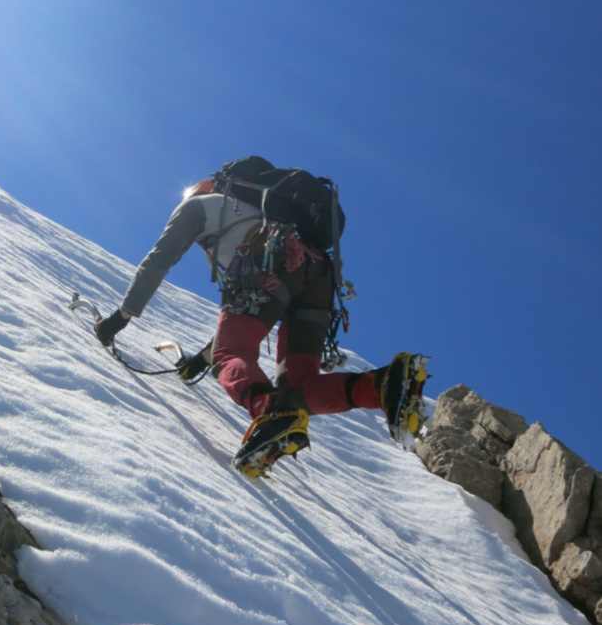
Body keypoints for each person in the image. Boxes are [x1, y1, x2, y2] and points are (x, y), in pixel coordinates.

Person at [94, 157, 427, 477]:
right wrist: (201, 359)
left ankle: (271, 412)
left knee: (231, 358)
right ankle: (382, 385)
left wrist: (119, 320)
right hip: (320, 277)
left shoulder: (198, 206)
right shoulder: (265, 212)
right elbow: (249, 322)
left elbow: (157, 262)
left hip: (273, 259)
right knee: (298, 385)